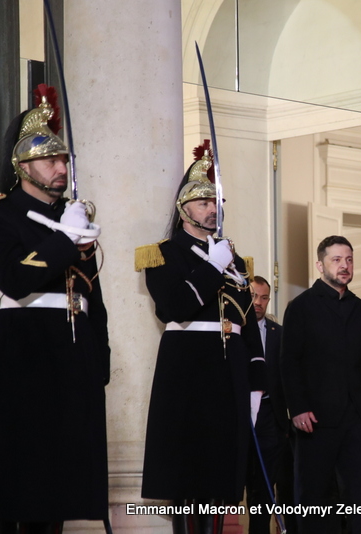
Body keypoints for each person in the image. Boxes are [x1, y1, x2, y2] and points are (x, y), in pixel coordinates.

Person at [0, 85, 111, 533]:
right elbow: (13, 278)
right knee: (17, 483)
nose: (61, 168)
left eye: (64, 160)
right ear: (23, 166)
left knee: (59, 488)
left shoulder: (74, 215)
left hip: (71, 357)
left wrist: (98, 360)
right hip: (23, 356)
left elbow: (91, 300)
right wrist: (64, 239)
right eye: (50, 160)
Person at [137, 140, 266, 534]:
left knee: (223, 474)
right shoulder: (162, 253)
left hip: (230, 373)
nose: (213, 209)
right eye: (203, 202)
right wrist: (212, 266)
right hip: (189, 369)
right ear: (184, 208)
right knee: (187, 471)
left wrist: (256, 382)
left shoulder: (236, 260)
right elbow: (176, 307)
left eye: (215, 201)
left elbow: (247, 323)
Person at [280, 235, 361, 534]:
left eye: (349, 259)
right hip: (314, 419)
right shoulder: (300, 307)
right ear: (320, 265)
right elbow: (289, 362)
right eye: (337, 259)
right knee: (315, 497)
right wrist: (298, 408)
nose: (345, 266)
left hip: (358, 419)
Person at [245, 276, 297, 534]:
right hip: (240, 416)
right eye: (254, 296)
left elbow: (289, 377)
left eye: (264, 298)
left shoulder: (279, 333)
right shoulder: (232, 329)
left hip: (270, 417)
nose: (258, 303)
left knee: (265, 489)